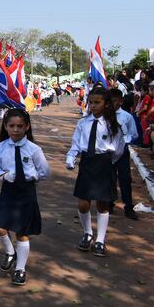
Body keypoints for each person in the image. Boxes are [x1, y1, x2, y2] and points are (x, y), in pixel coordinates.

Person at [0, 109, 50, 286]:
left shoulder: (33, 149)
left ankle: (20, 269)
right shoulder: (1, 147)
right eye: (12, 126)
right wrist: (3, 175)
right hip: (8, 190)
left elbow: (45, 172)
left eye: (20, 126)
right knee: (0, 227)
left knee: (22, 233)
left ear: (27, 127)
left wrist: (32, 177)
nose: (15, 130)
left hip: (26, 192)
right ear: (5, 126)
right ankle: (10, 252)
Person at [65, 86, 125, 257]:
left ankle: (100, 239)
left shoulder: (112, 125)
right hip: (87, 163)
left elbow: (118, 149)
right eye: (90, 102)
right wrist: (71, 158)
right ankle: (87, 233)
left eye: (97, 102)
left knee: (102, 203)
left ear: (106, 104)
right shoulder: (83, 123)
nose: (92, 105)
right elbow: (76, 144)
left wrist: (107, 162)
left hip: (104, 163)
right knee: (83, 203)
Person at [108, 88, 139, 220]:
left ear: (120, 101)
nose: (111, 104)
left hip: (122, 151)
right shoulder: (104, 115)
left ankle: (128, 206)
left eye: (114, 101)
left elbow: (134, 134)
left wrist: (125, 140)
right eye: (109, 101)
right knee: (110, 178)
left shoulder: (127, 117)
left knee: (125, 179)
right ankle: (109, 203)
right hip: (108, 151)